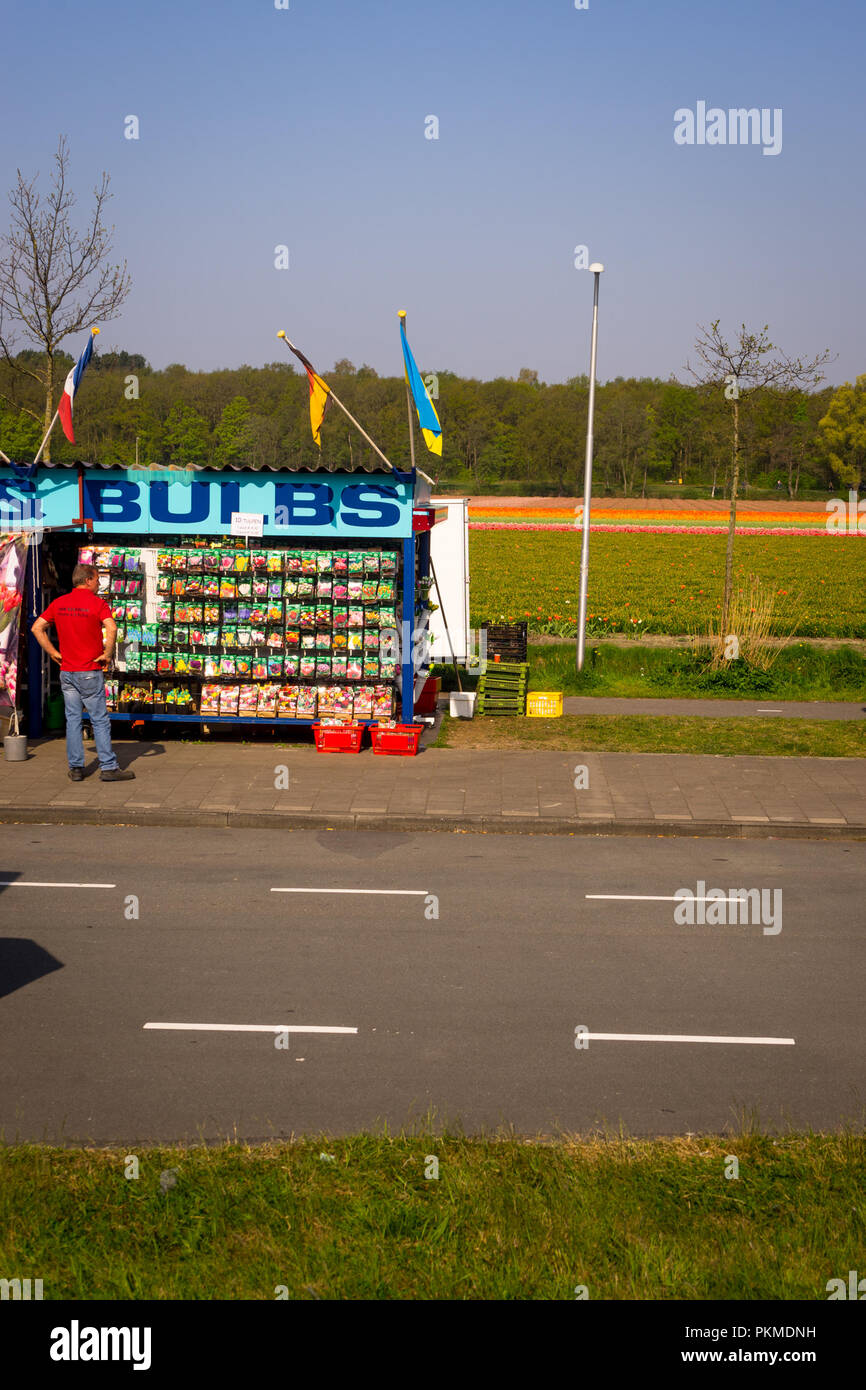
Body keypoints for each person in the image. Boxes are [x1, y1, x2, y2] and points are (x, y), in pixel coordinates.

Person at [31, 563, 135, 782]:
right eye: (97, 579)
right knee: (99, 719)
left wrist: (52, 652)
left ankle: (76, 768)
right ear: (88, 580)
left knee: (73, 720)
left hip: (67, 671)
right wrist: (107, 654)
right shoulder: (97, 603)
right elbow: (112, 628)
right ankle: (108, 767)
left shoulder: (59, 603)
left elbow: (36, 627)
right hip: (89, 670)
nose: (99, 584)